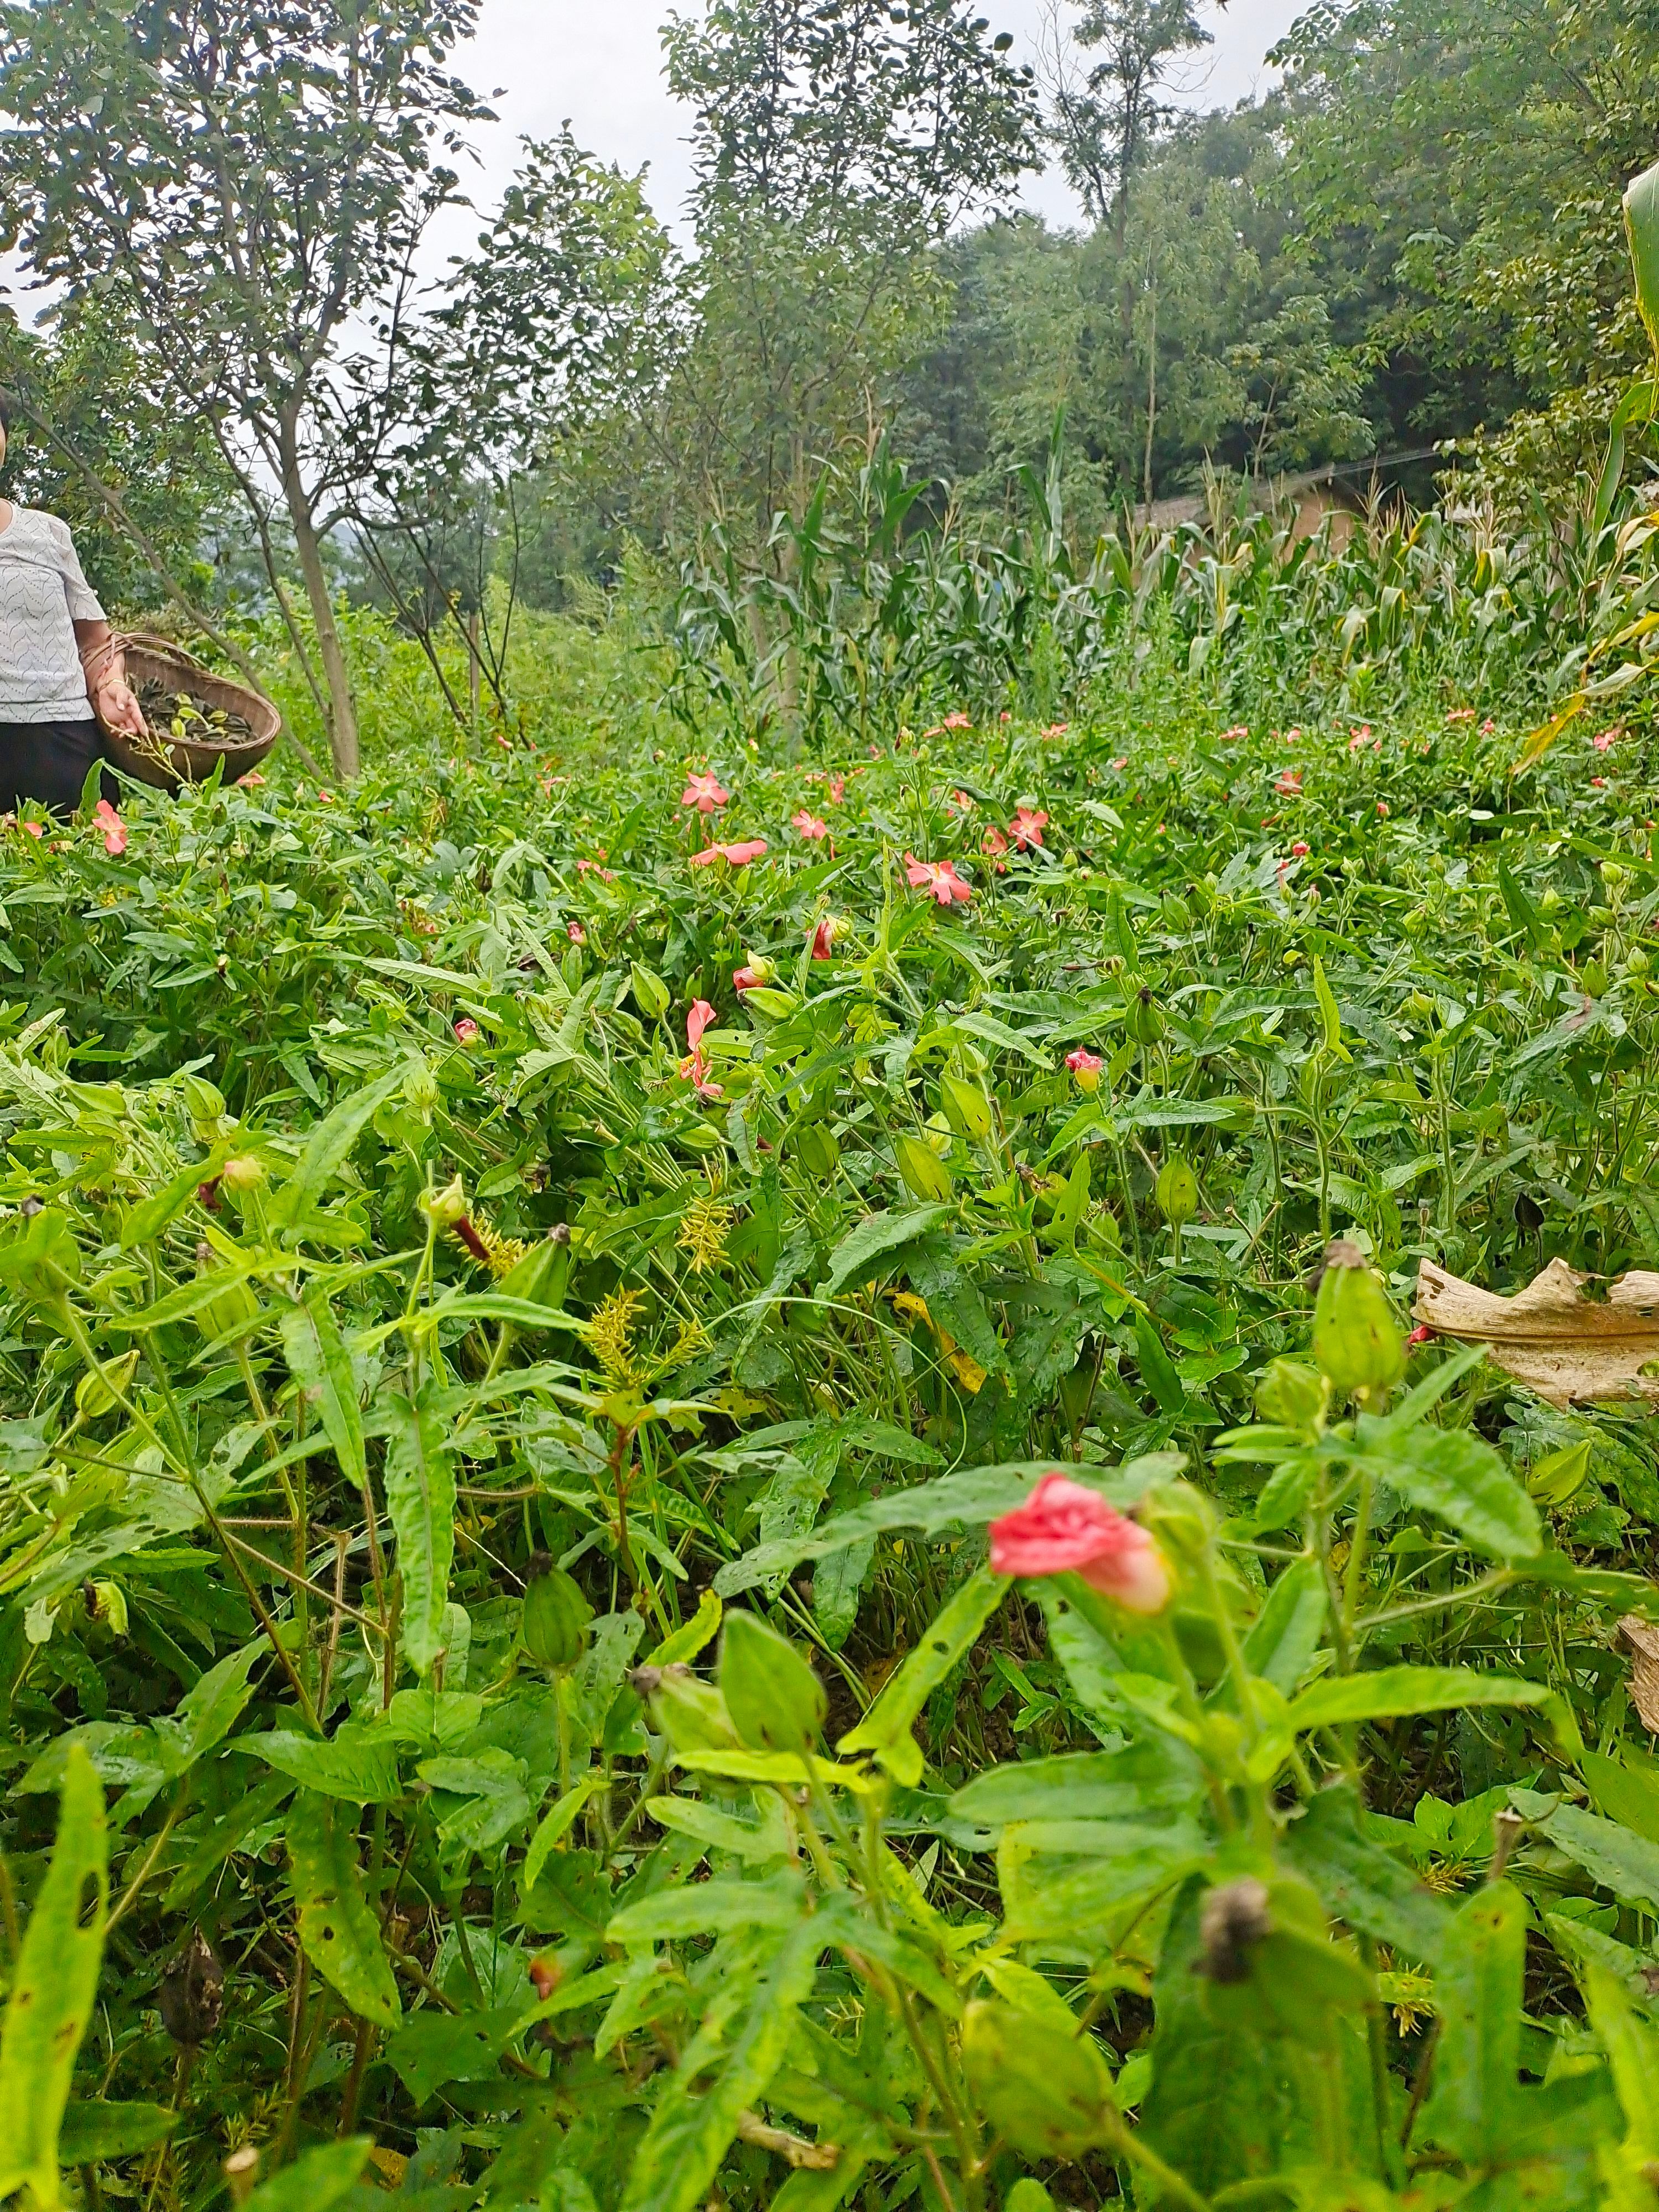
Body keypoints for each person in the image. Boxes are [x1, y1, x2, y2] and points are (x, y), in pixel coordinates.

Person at [0, 394, 147, 815]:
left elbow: (97, 642)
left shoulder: (48, 535)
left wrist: (111, 684)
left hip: (63, 747)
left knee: (83, 870)